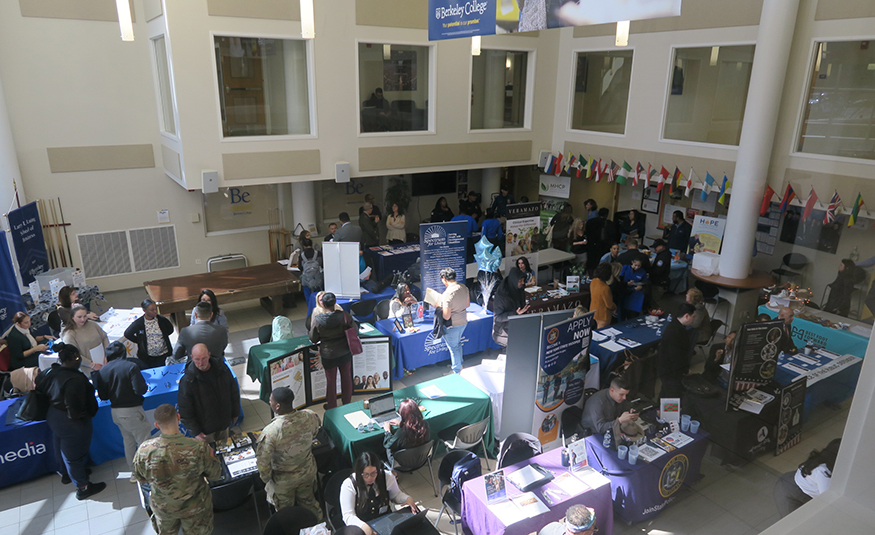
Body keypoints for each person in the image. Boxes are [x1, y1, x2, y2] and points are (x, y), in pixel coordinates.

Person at [133, 404, 222, 535]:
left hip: (164, 507)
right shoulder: (198, 447)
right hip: (195, 506)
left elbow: (141, 478)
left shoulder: (145, 450)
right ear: (178, 417)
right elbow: (215, 474)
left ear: (156, 425)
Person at [35, 343, 105, 499]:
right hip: (71, 421)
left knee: (60, 446)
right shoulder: (75, 379)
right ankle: (83, 487)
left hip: (53, 415)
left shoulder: (51, 371)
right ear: (76, 358)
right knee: (73, 455)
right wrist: (79, 418)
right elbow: (73, 404)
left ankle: (67, 474)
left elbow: (39, 383)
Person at [256, 386, 322, 519]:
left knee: (286, 514)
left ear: (277, 406)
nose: (269, 403)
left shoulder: (271, 432)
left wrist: (267, 480)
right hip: (307, 472)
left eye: (271, 401)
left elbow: (263, 463)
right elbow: (315, 432)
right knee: (309, 504)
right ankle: (318, 525)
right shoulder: (309, 416)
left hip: (283, 481)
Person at [91, 341, 152, 470]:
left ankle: (134, 471)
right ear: (124, 352)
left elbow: (103, 396)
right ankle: (147, 471)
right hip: (132, 411)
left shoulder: (102, 371)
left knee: (128, 441)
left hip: (116, 412)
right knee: (144, 442)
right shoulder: (131, 367)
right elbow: (140, 389)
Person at [340, 451, 418, 535]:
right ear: (359, 472)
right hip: (362, 524)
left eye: (373, 473)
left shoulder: (387, 476)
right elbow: (348, 515)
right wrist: (363, 526)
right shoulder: (349, 484)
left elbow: (396, 495)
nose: (370, 478)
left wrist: (407, 498)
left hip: (385, 519)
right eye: (366, 474)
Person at [177, 343, 241, 442]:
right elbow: (185, 410)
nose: (201, 363)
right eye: (197, 359)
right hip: (205, 430)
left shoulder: (222, 369)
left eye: (204, 358)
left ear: (209, 355)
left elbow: (233, 392)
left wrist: (235, 412)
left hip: (224, 423)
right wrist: (195, 432)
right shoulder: (188, 381)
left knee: (226, 447)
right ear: (192, 357)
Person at [309, 292, 355, 409]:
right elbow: (355, 330)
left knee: (331, 381)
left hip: (328, 354)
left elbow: (313, 338)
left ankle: (331, 406)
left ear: (323, 304)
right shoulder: (344, 315)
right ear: (335, 303)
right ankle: (347, 403)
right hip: (344, 351)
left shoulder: (318, 319)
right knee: (346, 378)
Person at [774, 438, 841, 517]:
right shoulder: (823, 472)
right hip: (790, 491)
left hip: (800, 483)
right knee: (793, 521)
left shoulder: (825, 461)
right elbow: (828, 500)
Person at [657, 302, 697, 398]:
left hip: (669, 369)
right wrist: (685, 370)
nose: (694, 319)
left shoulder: (677, 326)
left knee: (665, 393)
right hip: (671, 371)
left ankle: (659, 406)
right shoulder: (674, 331)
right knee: (672, 396)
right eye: (693, 316)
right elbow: (676, 357)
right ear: (686, 316)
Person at [124, 298, 174, 368]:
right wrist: (140, 341)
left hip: (164, 354)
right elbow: (127, 333)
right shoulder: (139, 323)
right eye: (152, 310)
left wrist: (162, 336)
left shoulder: (162, 320)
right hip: (149, 358)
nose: (155, 311)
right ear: (144, 310)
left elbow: (170, 329)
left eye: (156, 309)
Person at [62, 304, 109, 373]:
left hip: (104, 361)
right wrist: (92, 365)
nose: (83, 319)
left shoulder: (92, 324)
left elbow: (104, 337)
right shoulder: (69, 334)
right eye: (79, 317)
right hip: (88, 369)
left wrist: (107, 354)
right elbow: (73, 354)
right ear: (72, 317)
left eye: (85, 316)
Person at [382, 398, 430, 464]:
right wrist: (402, 424)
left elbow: (388, 444)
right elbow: (413, 427)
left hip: (402, 463)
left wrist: (387, 431)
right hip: (420, 459)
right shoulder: (425, 425)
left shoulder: (401, 433)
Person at [440, 267, 469, 374]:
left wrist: (439, 306)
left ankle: (456, 371)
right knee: (457, 345)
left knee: (454, 349)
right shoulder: (463, 287)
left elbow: (446, 316)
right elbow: (467, 304)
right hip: (463, 321)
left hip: (452, 325)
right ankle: (459, 364)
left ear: (444, 278)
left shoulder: (447, 294)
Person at [491, 267, 530, 346]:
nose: (522, 283)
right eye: (520, 281)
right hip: (503, 332)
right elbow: (497, 317)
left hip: (516, 328)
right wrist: (515, 314)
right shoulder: (502, 296)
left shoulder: (519, 290)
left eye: (523, 280)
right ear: (514, 281)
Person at [589, 264, 617, 329]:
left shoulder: (593, 281)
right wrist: (615, 307)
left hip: (593, 311)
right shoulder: (605, 288)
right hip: (603, 315)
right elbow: (609, 305)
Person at [649, 239, 672, 307]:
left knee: (654, 301)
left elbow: (658, 271)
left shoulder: (663, 257)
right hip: (660, 281)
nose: (654, 249)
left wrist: (649, 272)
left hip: (658, 282)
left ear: (661, 246)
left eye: (656, 247)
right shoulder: (665, 254)